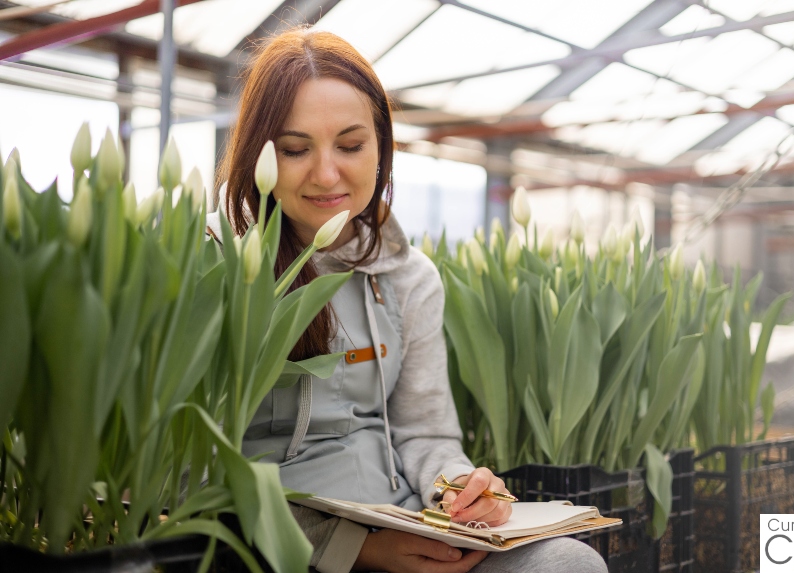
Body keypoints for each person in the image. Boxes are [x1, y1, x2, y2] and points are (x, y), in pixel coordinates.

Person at [206, 27, 608, 573]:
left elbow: (425, 432)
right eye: (296, 149)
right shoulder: (215, 266)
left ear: (382, 148)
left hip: (401, 524)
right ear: (258, 153)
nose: (327, 174)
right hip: (272, 547)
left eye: (350, 146)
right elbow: (190, 467)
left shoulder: (408, 278)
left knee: (567, 562)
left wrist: (456, 488)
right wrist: (353, 550)